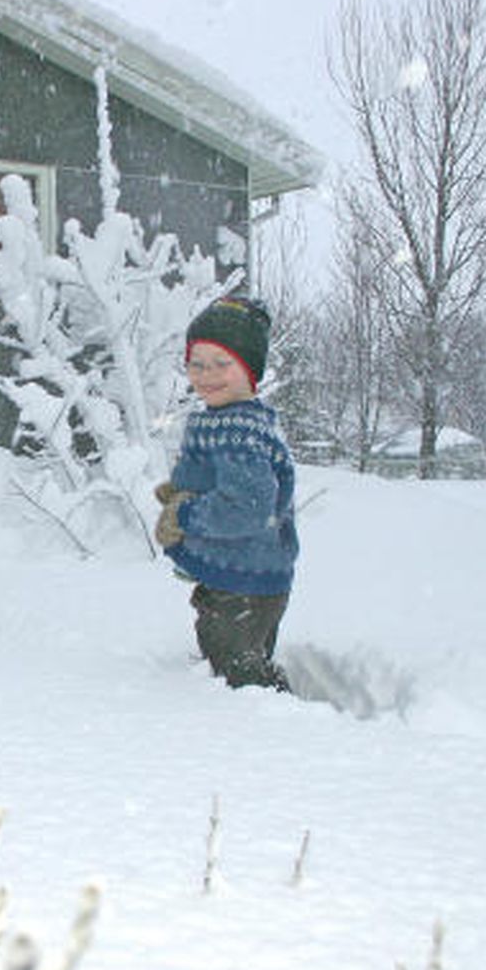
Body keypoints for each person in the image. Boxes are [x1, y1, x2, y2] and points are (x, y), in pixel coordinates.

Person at [154, 296, 299, 691]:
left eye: (222, 364)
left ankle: (283, 726)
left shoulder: (239, 432)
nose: (207, 374)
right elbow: (228, 483)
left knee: (240, 676)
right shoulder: (231, 419)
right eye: (196, 364)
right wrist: (182, 492)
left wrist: (184, 515)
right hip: (244, 579)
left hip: (244, 586)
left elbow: (248, 508)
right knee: (230, 657)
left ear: (250, 370)